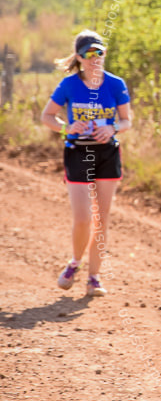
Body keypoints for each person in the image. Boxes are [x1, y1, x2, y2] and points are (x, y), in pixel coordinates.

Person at [40, 30, 132, 297]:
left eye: (100, 52)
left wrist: (113, 128)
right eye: (90, 54)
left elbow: (127, 121)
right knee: (82, 219)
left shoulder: (115, 84)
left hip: (107, 154)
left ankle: (94, 277)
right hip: (78, 152)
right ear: (79, 58)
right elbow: (47, 117)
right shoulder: (69, 85)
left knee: (101, 220)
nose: (96, 58)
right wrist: (67, 127)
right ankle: (74, 263)